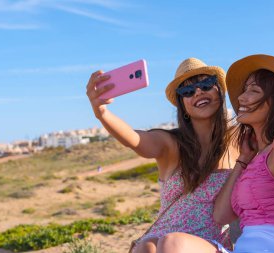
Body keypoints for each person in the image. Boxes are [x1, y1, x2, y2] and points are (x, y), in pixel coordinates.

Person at [162, 54, 274, 253]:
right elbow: (220, 216)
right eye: (245, 89)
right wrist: (243, 161)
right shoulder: (253, 158)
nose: (241, 98)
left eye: (253, 91)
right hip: (246, 248)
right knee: (173, 243)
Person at [86, 58, 236, 253]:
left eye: (205, 84)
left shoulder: (239, 140)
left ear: (219, 90)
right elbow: (135, 139)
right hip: (160, 240)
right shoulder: (171, 144)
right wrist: (102, 113)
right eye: (188, 91)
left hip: (208, 243)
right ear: (183, 106)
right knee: (146, 247)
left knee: (170, 243)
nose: (198, 91)